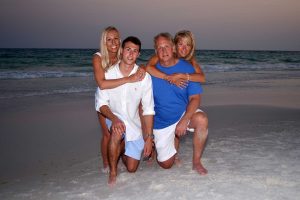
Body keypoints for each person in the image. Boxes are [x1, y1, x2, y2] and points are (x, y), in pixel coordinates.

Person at [96, 36, 155, 186]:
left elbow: (148, 109)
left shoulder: (144, 78)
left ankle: (120, 150)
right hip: (113, 117)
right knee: (116, 131)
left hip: (133, 124)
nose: (131, 54)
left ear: (139, 55)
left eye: (135, 51)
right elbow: (101, 104)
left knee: (132, 168)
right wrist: (114, 119)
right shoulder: (108, 74)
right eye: (128, 49)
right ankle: (113, 172)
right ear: (121, 51)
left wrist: (148, 137)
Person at [151, 32, 208, 175]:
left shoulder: (189, 66)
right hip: (162, 120)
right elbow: (146, 68)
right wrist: (167, 77)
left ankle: (196, 162)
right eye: (160, 47)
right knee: (166, 164)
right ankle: (160, 148)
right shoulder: (154, 64)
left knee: (202, 120)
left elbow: (198, 88)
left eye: (188, 45)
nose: (184, 48)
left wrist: (185, 119)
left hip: (182, 113)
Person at [93, 26, 145, 173]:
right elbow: (102, 83)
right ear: (104, 42)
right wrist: (128, 79)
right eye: (109, 39)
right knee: (108, 134)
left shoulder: (122, 53)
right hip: (105, 98)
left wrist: (143, 67)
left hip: (123, 94)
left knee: (133, 119)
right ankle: (107, 164)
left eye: (116, 38)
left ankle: (124, 151)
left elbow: (134, 60)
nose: (113, 42)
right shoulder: (98, 57)